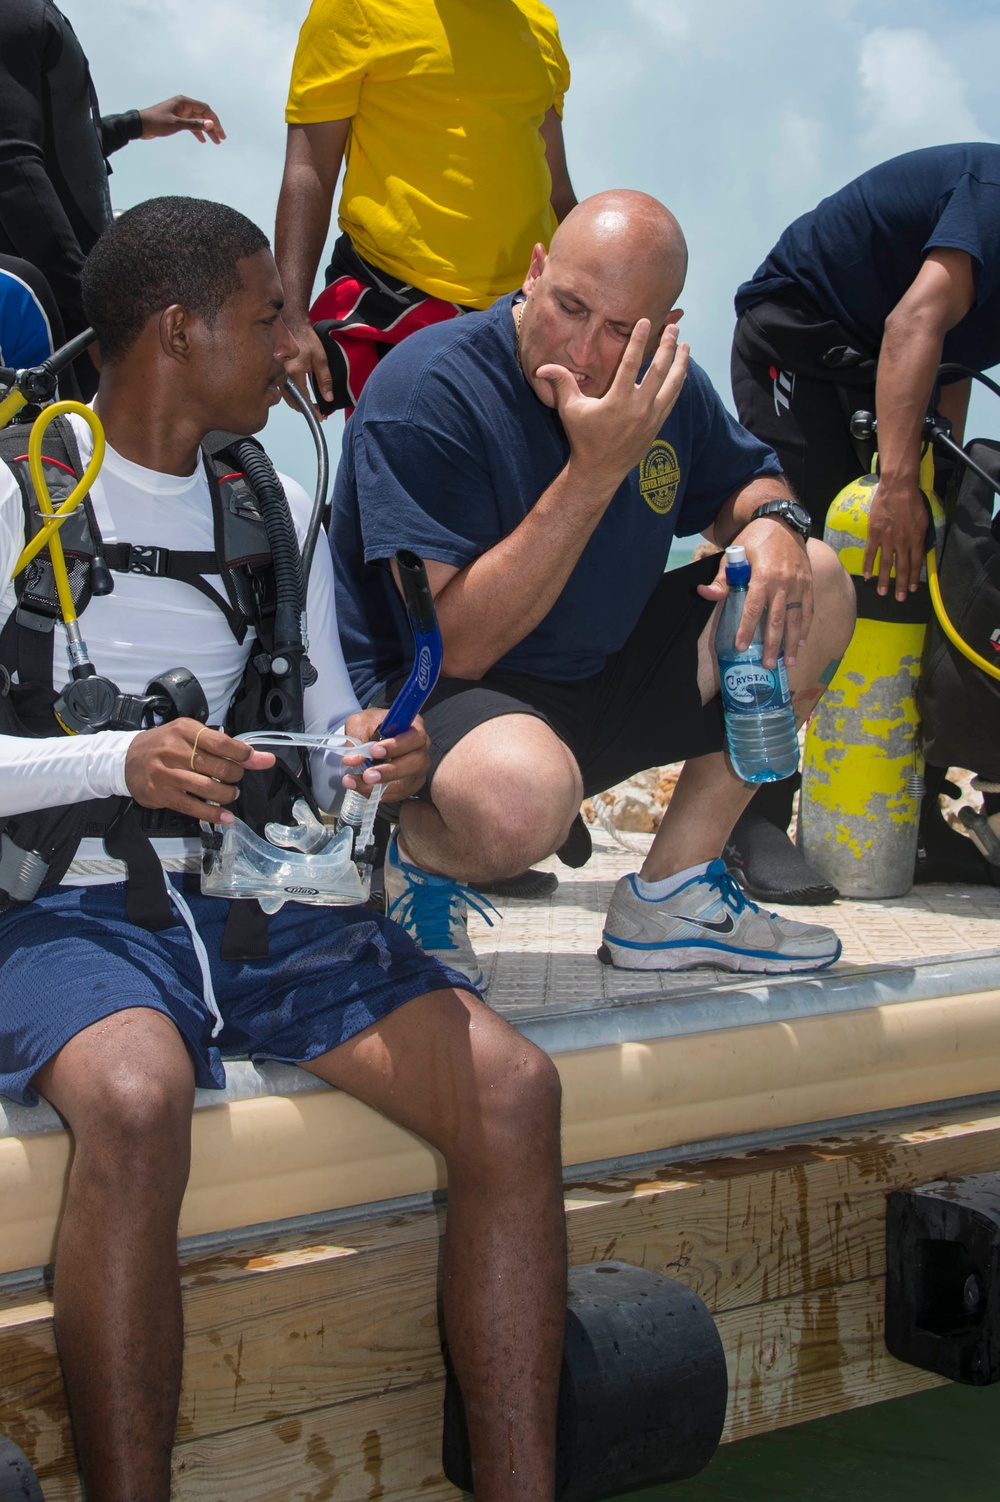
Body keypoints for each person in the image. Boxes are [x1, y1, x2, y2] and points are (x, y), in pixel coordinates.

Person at [0, 197, 565, 1502]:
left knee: (513, 1092)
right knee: (137, 1100)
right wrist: (117, 760)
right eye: (268, 315)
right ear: (177, 330)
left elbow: (319, 717)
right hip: (63, 912)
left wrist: (376, 750)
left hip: (258, 899)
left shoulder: (269, 498)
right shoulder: (17, 488)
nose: (295, 342)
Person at [329, 190, 857, 987]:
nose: (581, 350)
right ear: (536, 271)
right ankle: (408, 860)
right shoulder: (426, 390)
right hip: (443, 696)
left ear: (664, 329)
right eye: (569, 306)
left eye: (619, 331)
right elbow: (459, 642)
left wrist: (775, 524)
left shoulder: (663, 387)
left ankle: (672, 895)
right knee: (520, 805)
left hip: (595, 676)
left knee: (814, 577)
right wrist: (597, 469)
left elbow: (750, 482)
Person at [730, 143, 1000, 896]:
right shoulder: (995, 193)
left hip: (884, 358)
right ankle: (748, 814)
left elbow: (945, 364)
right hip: (798, 338)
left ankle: (911, 813)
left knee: (932, 567)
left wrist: (928, 490)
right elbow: (916, 322)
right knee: (799, 556)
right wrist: (894, 482)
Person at [275, 0, 576, 416]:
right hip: (398, 305)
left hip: (523, 316)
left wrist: (612, 297)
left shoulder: (538, 21)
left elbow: (556, 187)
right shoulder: (354, 8)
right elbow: (309, 169)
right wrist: (290, 317)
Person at [0, 0, 224, 395]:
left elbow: (52, 147)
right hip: (42, 313)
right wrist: (94, 303)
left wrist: (134, 124)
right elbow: (12, 164)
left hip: (62, 304)